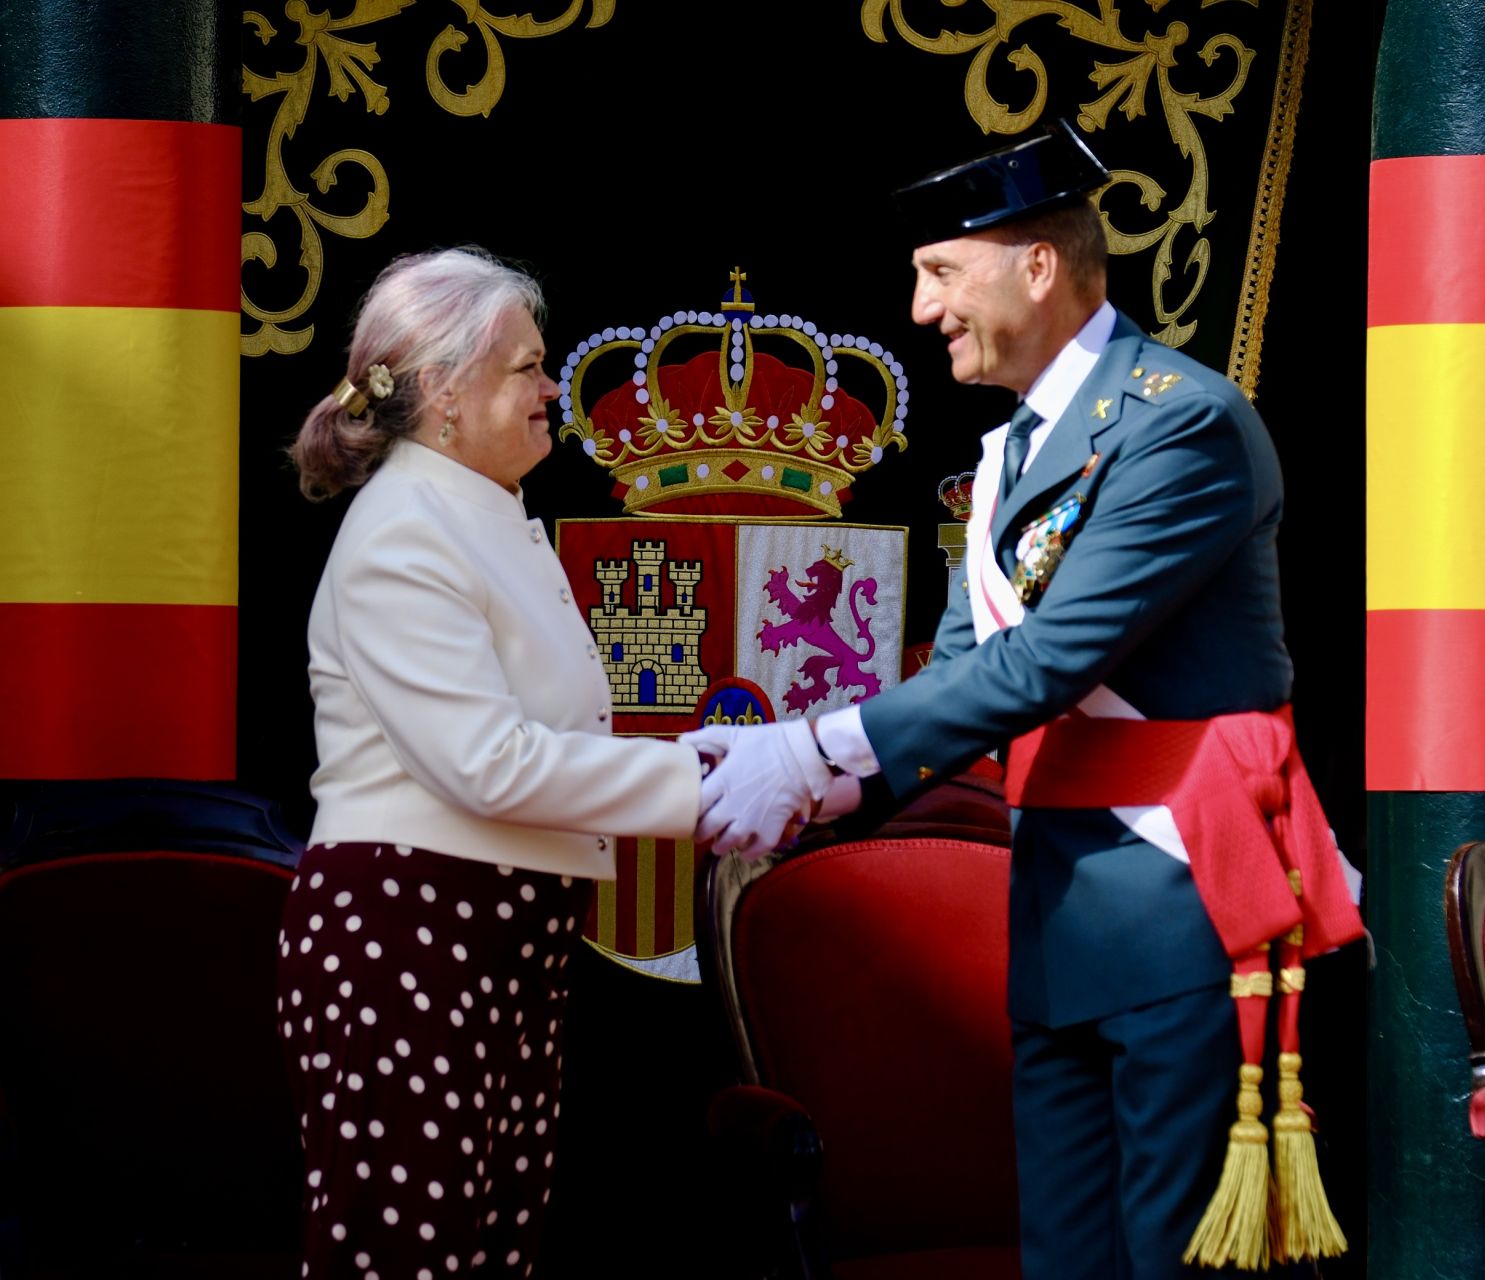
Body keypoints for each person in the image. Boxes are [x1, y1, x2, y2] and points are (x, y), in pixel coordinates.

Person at [687, 126, 1361, 1276]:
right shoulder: (1016, 451)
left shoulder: (1180, 423)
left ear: (1036, 266)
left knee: (1168, 1259)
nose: (918, 305)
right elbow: (962, 676)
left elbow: (1047, 662)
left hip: (1182, 910)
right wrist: (824, 786)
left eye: (941, 271)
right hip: (1058, 920)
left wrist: (804, 750)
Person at [279, 247, 702, 1278]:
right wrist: (712, 784)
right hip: (406, 936)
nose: (552, 387)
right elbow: (492, 766)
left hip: (492, 942)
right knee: (408, 1261)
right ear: (442, 393)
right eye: (527, 366)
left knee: (484, 1256)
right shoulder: (401, 536)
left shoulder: (479, 520)